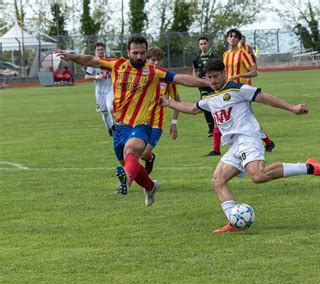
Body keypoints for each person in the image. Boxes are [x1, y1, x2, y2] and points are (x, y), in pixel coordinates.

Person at [160, 59, 320, 233]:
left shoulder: (237, 89)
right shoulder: (209, 97)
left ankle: (309, 167)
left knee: (258, 175)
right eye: (209, 78)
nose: (213, 81)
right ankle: (234, 221)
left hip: (249, 137)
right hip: (235, 144)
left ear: (224, 74)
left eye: (216, 76)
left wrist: (292, 108)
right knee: (217, 180)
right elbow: (192, 108)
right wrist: (168, 103)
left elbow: (264, 98)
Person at [53, 35, 209, 207]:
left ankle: (126, 180)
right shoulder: (117, 65)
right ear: (128, 52)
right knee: (129, 163)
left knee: (131, 151)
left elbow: (181, 78)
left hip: (141, 125)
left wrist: (207, 83)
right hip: (119, 127)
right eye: (135, 53)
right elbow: (91, 60)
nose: (139, 57)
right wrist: (70, 56)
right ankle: (150, 186)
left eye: (142, 53)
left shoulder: (153, 72)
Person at [207, 28, 275, 157]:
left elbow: (254, 72)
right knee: (219, 117)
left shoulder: (243, 53)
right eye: (230, 36)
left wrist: (239, 74)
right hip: (226, 90)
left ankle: (267, 141)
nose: (232, 38)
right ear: (227, 38)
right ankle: (216, 150)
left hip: (241, 91)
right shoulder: (225, 54)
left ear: (238, 39)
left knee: (245, 120)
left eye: (235, 36)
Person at [141, 47, 180, 175]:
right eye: (153, 60)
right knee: (134, 151)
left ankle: (150, 157)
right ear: (147, 60)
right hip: (140, 121)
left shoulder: (167, 78)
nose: (156, 63)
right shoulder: (140, 76)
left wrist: (174, 122)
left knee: (144, 154)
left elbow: (177, 100)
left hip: (157, 123)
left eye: (159, 60)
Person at [84, 42, 114, 137]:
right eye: (98, 50)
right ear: (95, 51)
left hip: (110, 89)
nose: (100, 51)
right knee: (104, 112)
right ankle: (109, 127)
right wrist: (97, 76)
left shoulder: (110, 61)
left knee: (111, 108)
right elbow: (86, 77)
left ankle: (114, 126)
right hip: (100, 92)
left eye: (102, 49)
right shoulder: (93, 63)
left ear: (104, 50)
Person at [192, 36, 219, 138]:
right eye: (201, 44)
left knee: (215, 106)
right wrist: (196, 80)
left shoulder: (215, 58)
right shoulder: (196, 59)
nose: (203, 46)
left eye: (205, 43)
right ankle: (211, 128)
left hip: (213, 85)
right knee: (204, 104)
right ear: (199, 46)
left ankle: (219, 126)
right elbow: (194, 70)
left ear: (208, 44)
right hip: (203, 87)